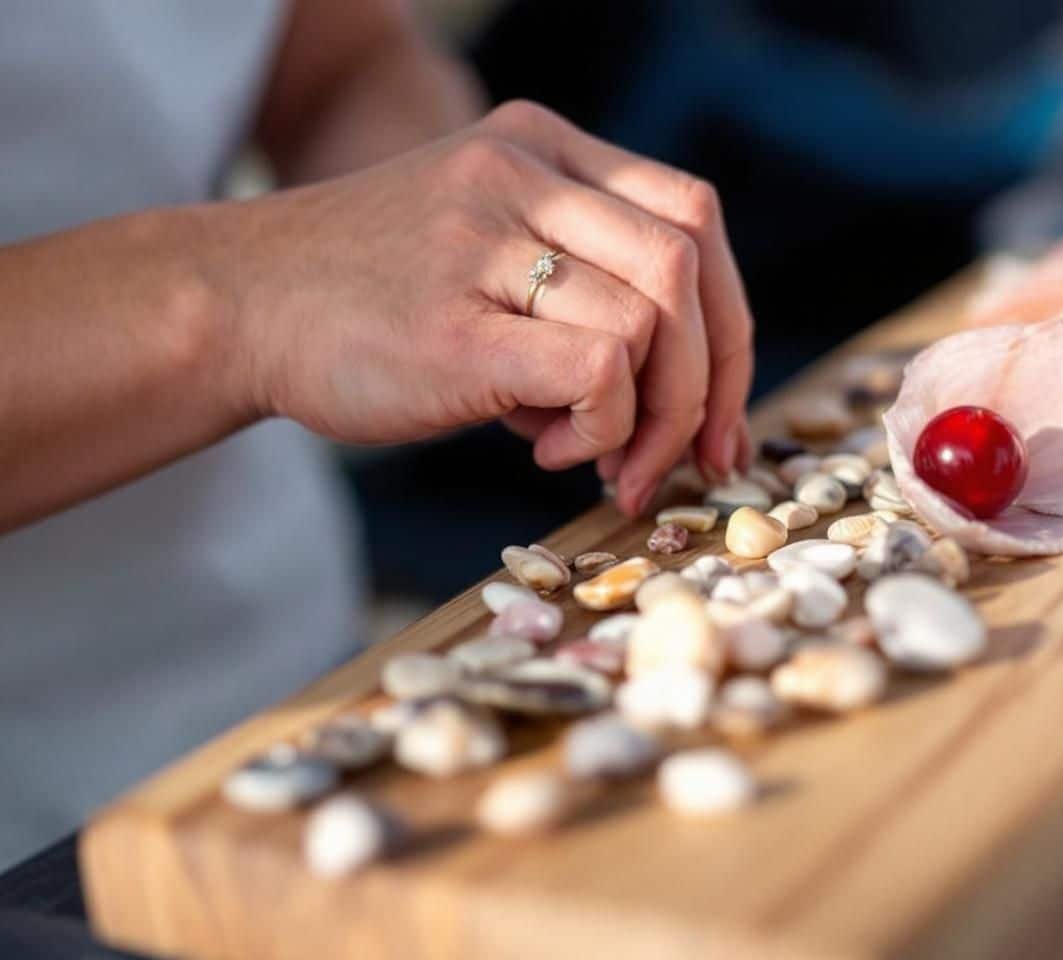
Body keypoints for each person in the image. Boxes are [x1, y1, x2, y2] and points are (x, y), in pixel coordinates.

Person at [0, 0, 753, 869]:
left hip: (323, 683)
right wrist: (259, 288)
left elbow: (341, 59)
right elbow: (276, 274)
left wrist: (468, 224)